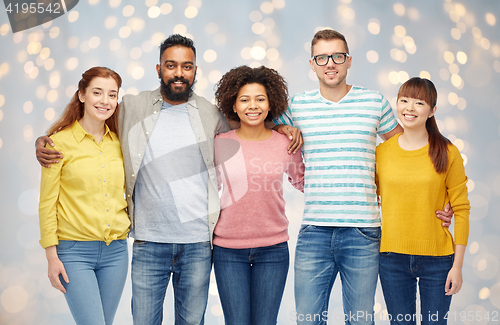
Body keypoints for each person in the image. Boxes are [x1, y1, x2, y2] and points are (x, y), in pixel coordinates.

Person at [36, 34, 229, 325]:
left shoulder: (211, 114)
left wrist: (284, 130)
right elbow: (90, 117)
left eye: (187, 66)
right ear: (158, 69)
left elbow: (249, 126)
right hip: (147, 243)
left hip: (197, 244)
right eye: (171, 65)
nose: (179, 73)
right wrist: (43, 140)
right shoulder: (132, 107)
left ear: (195, 70)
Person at [272, 29, 453, 325]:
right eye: (322, 57)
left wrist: (441, 198)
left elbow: (408, 151)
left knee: (360, 320)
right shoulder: (297, 106)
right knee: (307, 319)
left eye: (337, 56)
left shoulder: (373, 102)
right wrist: (283, 128)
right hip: (314, 230)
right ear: (312, 63)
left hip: (363, 232)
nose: (330, 63)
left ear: (349, 61)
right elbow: (263, 129)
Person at [213, 65, 305, 324]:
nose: (252, 106)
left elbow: (304, 182)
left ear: (270, 103)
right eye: (244, 99)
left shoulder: (286, 143)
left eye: (259, 99)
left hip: (273, 250)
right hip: (227, 250)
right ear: (233, 105)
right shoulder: (219, 143)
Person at [38, 66, 129, 325]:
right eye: (97, 93)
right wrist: (51, 256)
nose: (105, 101)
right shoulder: (57, 144)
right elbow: (47, 204)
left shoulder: (120, 143)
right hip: (74, 253)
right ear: (81, 95)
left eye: (112, 95)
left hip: (117, 252)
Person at [375, 77, 470, 324]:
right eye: (404, 100)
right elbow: (369, 195)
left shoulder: (448, 152)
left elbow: (461, 210)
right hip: (391, 258)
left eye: (419, 103)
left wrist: (457, 266)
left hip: (438, 260)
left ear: (432, 111)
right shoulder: (382, 153)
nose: (409, 108)